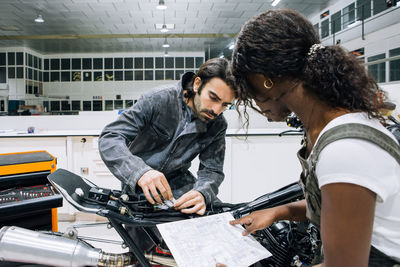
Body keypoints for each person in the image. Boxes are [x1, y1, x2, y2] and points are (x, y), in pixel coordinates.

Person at [220, 9, 400, 267]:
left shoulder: (345, 149)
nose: (253, 100)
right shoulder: (329, 129)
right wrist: (281, 212)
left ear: (264, 79)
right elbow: (340, 208)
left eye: (249, 85)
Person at [98, 58, 236, 252]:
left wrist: (203, 192)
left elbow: (212, 170)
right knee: (145, 250)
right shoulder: (159, 99)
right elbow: (110, 137)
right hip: (139, 185)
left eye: (225, 105)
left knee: (222, 233)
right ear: (197, 84)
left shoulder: (218, 124)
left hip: (180, 184)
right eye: (213, 98)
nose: (216, 110)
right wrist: (140, 172)